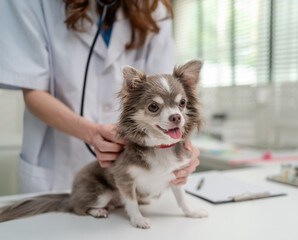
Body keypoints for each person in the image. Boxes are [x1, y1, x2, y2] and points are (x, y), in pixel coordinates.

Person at [0, 0, 200, 193]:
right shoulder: (32, 3)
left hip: (142, 181)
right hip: (57, 166)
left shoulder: (154, 7)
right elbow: (33, 91)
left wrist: (184, 147)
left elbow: (168, 93)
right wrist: (90, 133)